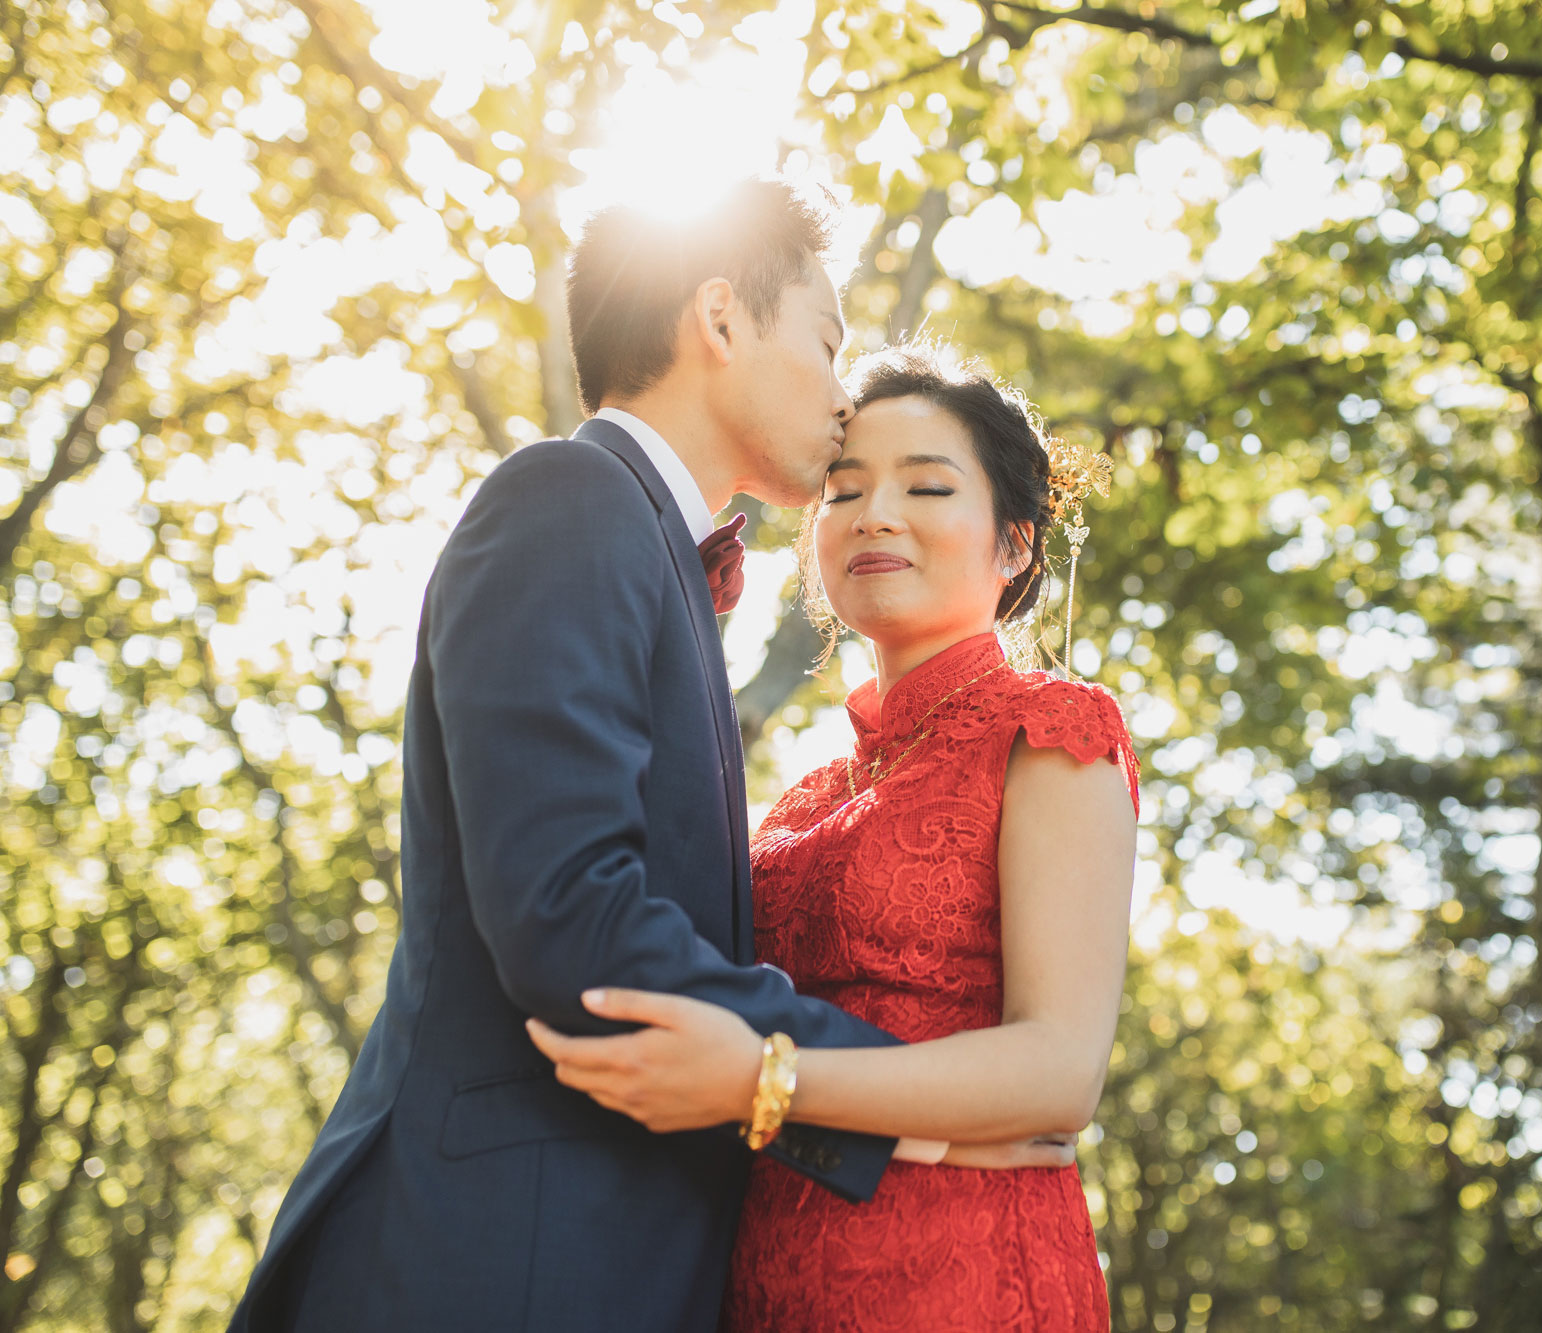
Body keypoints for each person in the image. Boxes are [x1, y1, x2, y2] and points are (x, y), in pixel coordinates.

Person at [228, 184, 1064, 1333]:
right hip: (500, 1254)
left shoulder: (649, 550)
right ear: (718, 320)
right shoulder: (567, 501)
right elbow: (571, 909)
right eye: (825, 345)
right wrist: (881, 1094)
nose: (838, 398)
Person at [529, 344, 1141, 1331]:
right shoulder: (805, 795)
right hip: (761, 1274)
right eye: (843, 490)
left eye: (927, 486)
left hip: (965, 1279)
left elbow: (1059, 1070)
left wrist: (759, 1080)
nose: (875, 514)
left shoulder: (1051, 727)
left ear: (1016, 544)